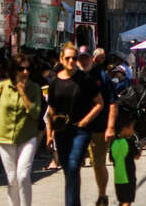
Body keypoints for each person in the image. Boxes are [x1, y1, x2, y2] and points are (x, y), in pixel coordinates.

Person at [47, 42, 104, 206]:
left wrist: (85, 121)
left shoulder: (85, 80)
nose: (71, 61)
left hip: (80, 131)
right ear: (61, 59)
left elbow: (99, 103)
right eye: (68, 58)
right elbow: (51, 110)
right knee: (69, 171)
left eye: (74, 58)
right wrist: (50, 134)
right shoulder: (54, 83)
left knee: (73, 166)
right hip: (61, 132)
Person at [0, 53, 43, 206]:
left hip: (27, 137)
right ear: (13, 70)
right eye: (21, 69)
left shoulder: (34, 88)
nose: (25, 72)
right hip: (5, 138)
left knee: (23, 176)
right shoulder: (1, 87)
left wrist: (23, 93)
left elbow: (36, 113)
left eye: (28, 69)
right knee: (12, 180)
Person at [76, 46, 117, 206]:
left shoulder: (102, 76)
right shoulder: (73, 76)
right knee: (74, 165)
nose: (83, 61)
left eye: (86, 58)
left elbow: (113, 102)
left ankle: (102, 195)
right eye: (80, 58)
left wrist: (110, 126)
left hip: (99, 128)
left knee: (98, 164)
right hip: (77, 129)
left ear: (90, 58)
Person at [110, 112, 141, 206]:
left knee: (122, 201)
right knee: (127, 201)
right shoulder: (129, 142)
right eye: (132, 128)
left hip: (118, 178)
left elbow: (111, 159)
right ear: (125, 128)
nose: (133, 130)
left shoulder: (113, 143)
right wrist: (140, 149)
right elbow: (137, 156)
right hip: (129, 177)